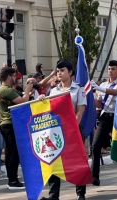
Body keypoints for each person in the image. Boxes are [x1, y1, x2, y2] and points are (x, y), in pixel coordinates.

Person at [39, 59, 87, 200]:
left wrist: (72, 129)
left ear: (70, 72)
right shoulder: (53, 91)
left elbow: (80, 111)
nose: (59, 73)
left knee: (77, 162)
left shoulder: (79, 89)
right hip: (56, 132)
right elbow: (49, 111)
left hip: (73, 130)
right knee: (53, 161)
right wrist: (42, 99)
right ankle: (53, 196)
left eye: (62, 70)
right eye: (58, 71)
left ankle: (80, 193)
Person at [90, 60, 117, 187]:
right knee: (95, 145)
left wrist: (100, 89)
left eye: (113, 69)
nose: (110, 71)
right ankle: (94, 176)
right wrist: (91, 97)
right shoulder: (104, 84)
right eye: (109, 68)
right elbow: (99, 104)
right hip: (105, 117)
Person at [0, 67, 33, 189]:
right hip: (10, 124)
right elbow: (23, 102)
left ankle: (11, 179)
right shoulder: (6, 90)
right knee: (14, 152)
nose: (15, 79)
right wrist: (28, 89)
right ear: (8, 77)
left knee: (9, 153)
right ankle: (13, 181)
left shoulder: (2, 90)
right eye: (13, 76)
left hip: (5, 124)